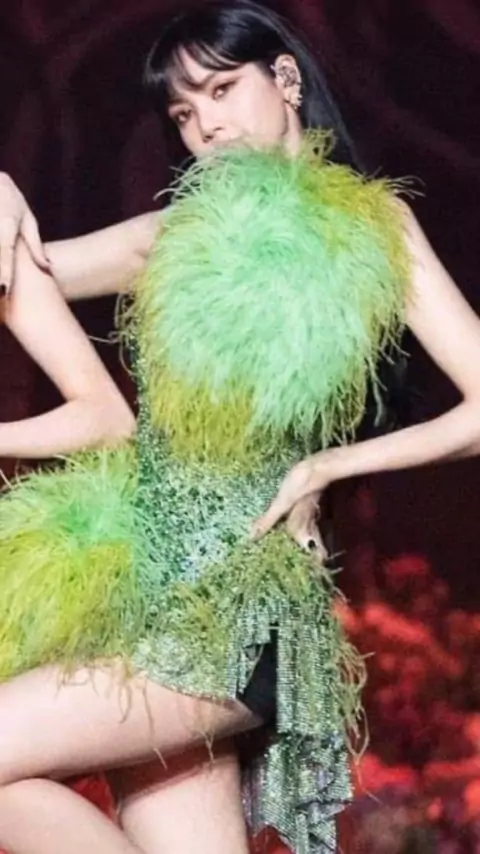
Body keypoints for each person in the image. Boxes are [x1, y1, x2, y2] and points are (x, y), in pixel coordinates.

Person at [1, 3, 480, 854]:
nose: (206, 126)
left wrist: (326, 467)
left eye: (221, 90)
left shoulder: (373, 229)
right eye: (183, 112)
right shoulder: (173, 237)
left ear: (285, 78)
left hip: (238, 620)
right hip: (145, 603)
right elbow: (24, 267)